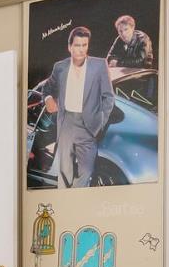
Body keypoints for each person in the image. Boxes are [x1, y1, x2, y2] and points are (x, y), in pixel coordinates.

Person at [42, 26, 115, 188]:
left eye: (84, 45)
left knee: (87, 172)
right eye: (77, 45)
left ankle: (75, 200)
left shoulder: (99, 66)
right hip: (66, 123)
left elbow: (108, 97)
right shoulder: (60, 67)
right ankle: (66, 204)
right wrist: (48, 99)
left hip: (88, 125)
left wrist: (99, 123)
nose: (81, 50)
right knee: (63, 172)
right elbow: (47, 88)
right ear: (69, 47)